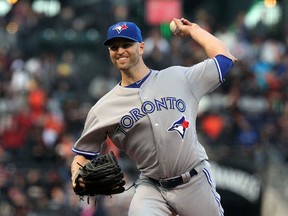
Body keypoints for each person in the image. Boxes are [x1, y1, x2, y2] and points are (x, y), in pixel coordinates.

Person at [71, 18, 237, 216]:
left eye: (126, 44)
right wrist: (77, 174)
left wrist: (195, 31)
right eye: (114, 47)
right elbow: (83, 155)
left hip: (194, 180)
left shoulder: (179, 77)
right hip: (152, 188)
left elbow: (225, 59)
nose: (120, 50)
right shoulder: (103, 108)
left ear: (141, 47)